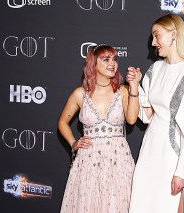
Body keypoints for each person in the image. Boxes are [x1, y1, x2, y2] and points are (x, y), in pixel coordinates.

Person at [128, 14, 184, 213]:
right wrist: (135, 86)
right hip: (149, 150)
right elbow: (146, 115)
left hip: (171, 154)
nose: (153, 42)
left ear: (173, 35)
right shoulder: (155, 69)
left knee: (168, 207)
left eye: (157, 36)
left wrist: (182, 172)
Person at [58, 44, 141, 213]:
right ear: (93, 64)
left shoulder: (123, 91)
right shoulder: (80, 94)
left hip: (119, 160)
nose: (112, 63)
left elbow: (132, 120)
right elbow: (62, 123)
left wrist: (134, 87)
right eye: (106, 59)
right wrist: (73, 143)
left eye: (115, 59)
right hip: (89, 160)